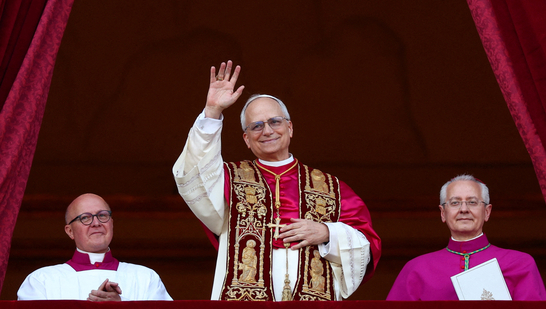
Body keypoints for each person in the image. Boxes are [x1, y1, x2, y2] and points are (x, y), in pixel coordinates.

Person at [172, 60, 381, 301]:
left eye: (275, 122)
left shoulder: (331, 187)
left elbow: (369, 246)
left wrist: (327, 232)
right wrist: (212, 112)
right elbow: (193, 174)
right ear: (246, 139)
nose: (268, 131)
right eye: (256, 126)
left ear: (290, 128)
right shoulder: (228, 179)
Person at [386, 174, 546, 300]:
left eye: (472, 202)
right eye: (455, 203)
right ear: (443, 213)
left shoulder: (520, 264)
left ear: (487, 212)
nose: (464, 209)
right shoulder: (416, 269)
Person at [17, 193, 172, 301]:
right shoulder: (41, 281)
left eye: (102, 215)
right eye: (85, 218)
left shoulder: (145, 278)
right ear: (70, 231)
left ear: (111, 223)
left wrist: (121, 305)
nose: (96, 223)